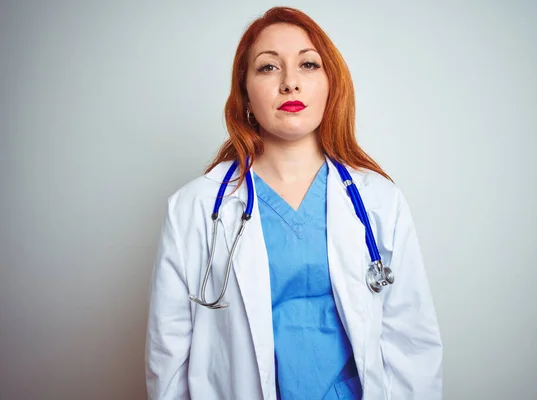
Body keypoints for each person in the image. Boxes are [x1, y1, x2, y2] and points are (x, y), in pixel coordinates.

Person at [145, 6, 442, 400]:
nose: (290, 83)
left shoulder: (379, 202)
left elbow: (413, 345)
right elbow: (167, 359)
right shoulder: (194, 209)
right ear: (245, 93)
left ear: (330, 85)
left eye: (308, 65)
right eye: (268, 68)